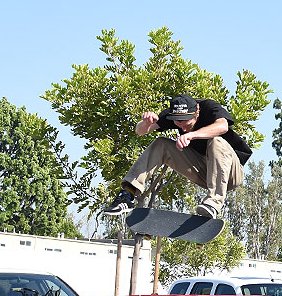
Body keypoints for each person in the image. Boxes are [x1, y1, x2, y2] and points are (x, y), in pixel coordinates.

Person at [102, 94, 252, 219]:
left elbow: (223, 126)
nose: (182, 127)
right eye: (178, 122)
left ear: (197, 112)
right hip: (204, 172)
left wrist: (193, 135)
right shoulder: (172, 117)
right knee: (161, 144)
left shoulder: (209, 107)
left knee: (216, 141)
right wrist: (146, 123)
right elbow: (140, 131)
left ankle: (213, 203)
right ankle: (127, 195)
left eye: (187, 122)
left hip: (231, 172)